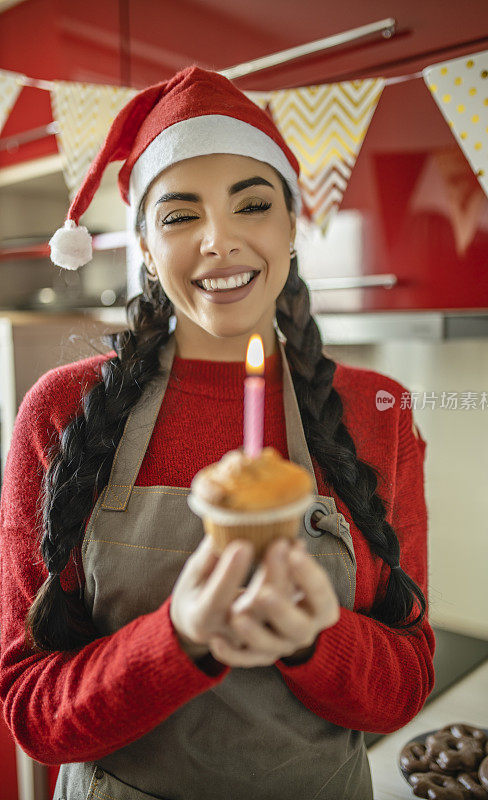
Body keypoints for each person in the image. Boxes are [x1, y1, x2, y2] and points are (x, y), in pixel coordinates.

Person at [0, 66, 435, 800]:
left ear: (290, 225)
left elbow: (405, 682)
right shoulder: (61, 411)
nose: (218, 241)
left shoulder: (376, 410)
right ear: (142, 245)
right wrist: (180, 638)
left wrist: (312, 638)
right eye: (178, 215)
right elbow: (31, 711)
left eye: (252, 204)